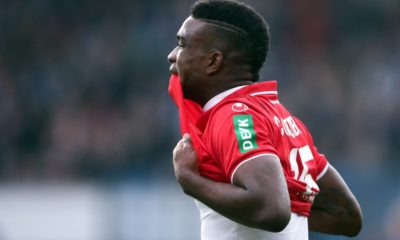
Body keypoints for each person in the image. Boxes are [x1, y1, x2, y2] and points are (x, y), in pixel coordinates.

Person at [167, 0, 363, 239]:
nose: (172, 55)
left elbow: (271, 210)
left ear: (213, 62)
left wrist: (190, 180)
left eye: (181, 44)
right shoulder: (283, 118)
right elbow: (345, 215)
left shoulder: (232, 116)